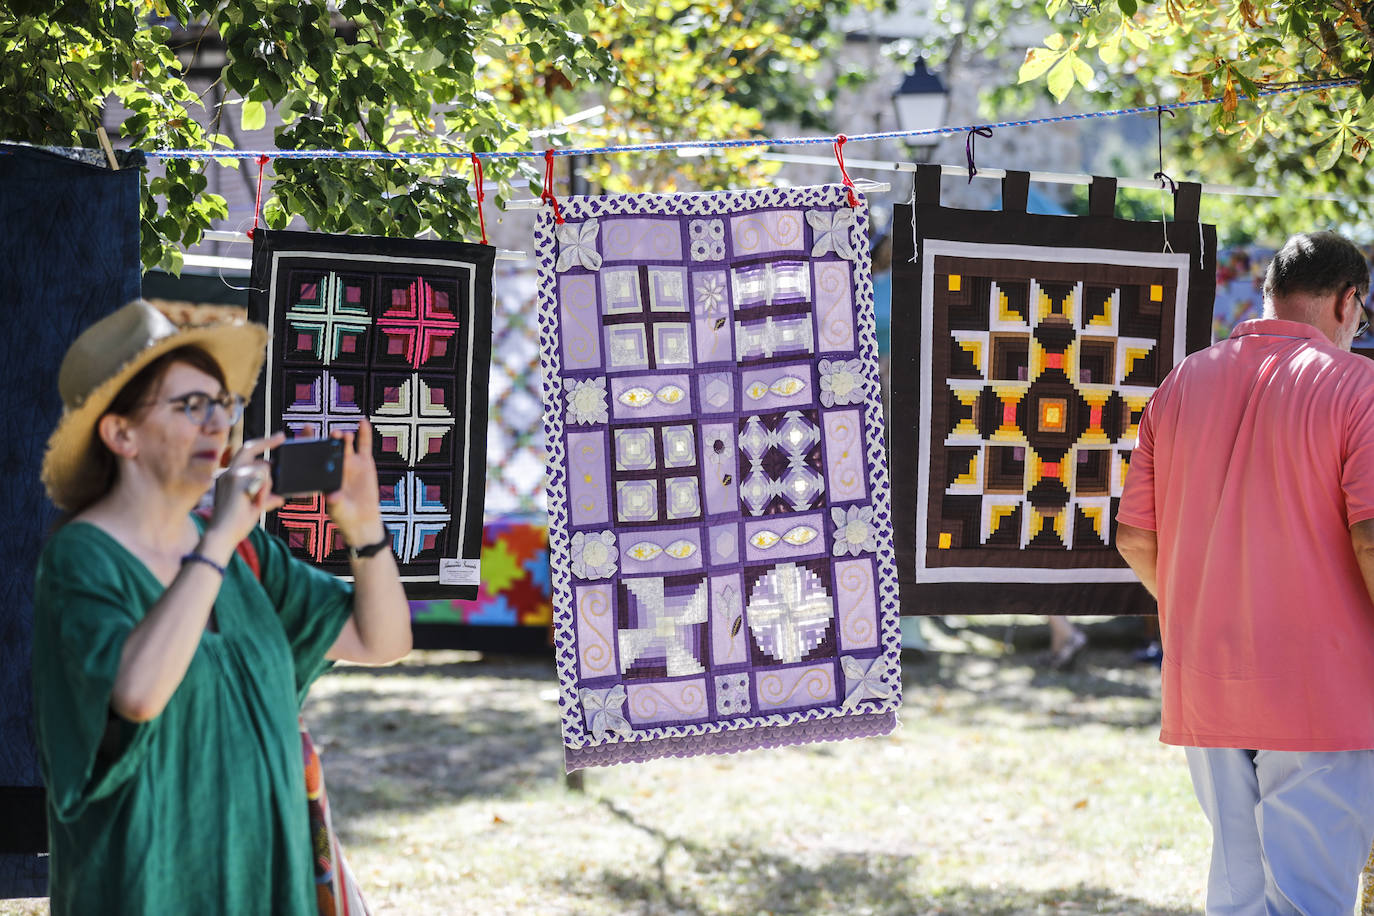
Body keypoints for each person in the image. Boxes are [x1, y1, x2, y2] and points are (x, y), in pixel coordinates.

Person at [31, 300, 412, 915]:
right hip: (148, 890)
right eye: (191, 406)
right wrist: (215, 542)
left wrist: (365, 529)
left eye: (224, 404)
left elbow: (384, 641)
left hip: (264, 883)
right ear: (120, 433)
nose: (218, 423)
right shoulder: (82, 559)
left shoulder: (246, 553)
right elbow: (138, 695)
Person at [1115, 231, 1374, 914]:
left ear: (1269, 296)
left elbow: (1136, 538)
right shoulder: (1360, 387)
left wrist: (1201, 603)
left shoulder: (1181, 383)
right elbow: (1372, 538)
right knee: (1310, 897)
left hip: (1208, 676)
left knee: (1236, 894)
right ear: (1349, 303)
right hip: (1324, 682)